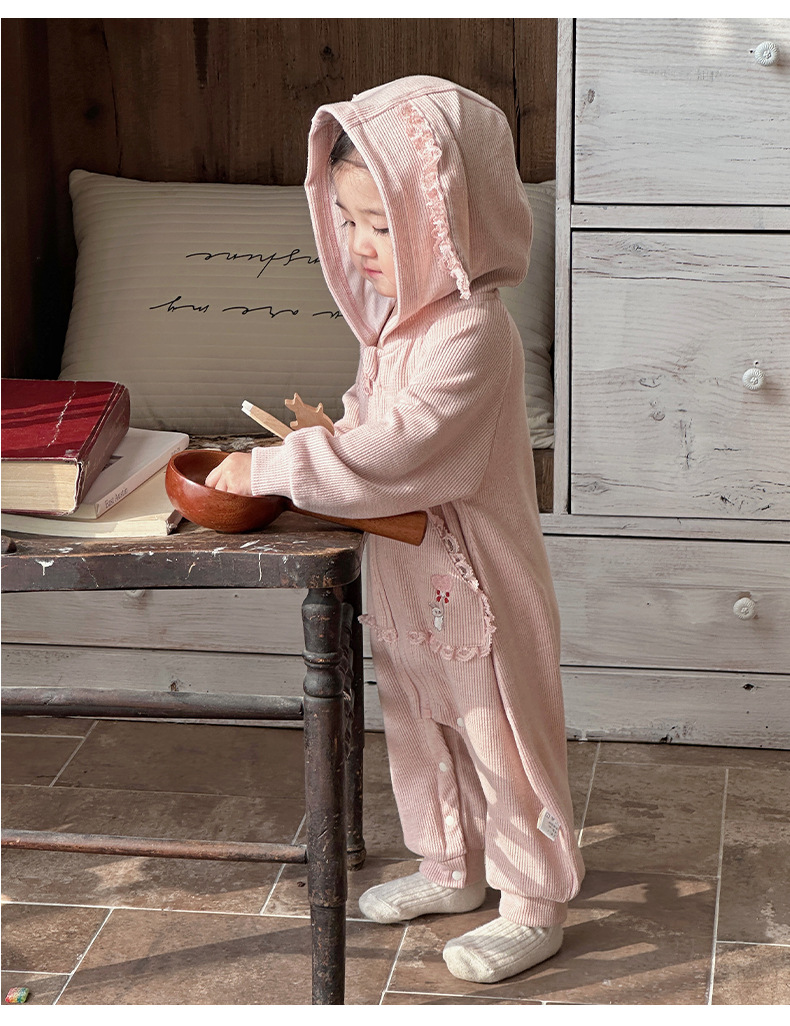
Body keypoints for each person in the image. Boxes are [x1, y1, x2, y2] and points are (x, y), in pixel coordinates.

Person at [206, 75, 585, 984]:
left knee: (502, 743)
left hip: (481, 593)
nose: (360, 246)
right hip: (409, 582)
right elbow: (362, 427)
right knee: (419, 725)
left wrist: (274, 468)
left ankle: (533, 903)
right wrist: (322, 441)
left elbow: (406, 450)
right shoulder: (392, 331)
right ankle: (450, 865)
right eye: (347, 221)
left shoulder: (472, 334)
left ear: (449, 223)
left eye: (383, 224)